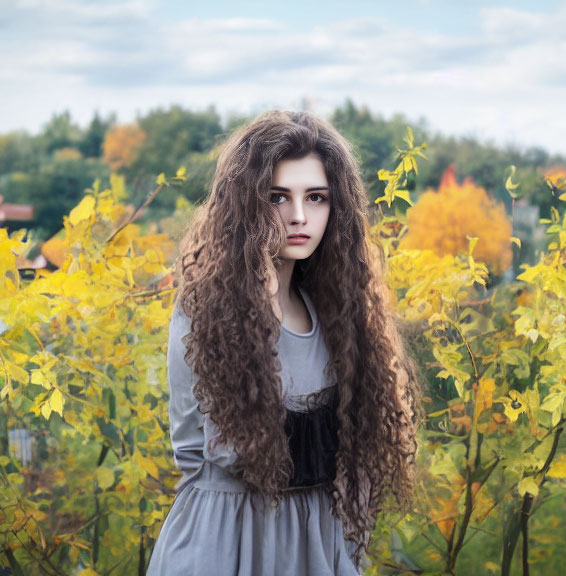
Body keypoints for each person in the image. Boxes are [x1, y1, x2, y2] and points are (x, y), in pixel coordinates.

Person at [147, 110, 421, 576]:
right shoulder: (208, 310)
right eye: (278, 197)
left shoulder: (339, 313)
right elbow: (210, 453)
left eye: (316, 197)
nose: (298, 216)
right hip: (225, 543)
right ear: (248, 204)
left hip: (316, 546)